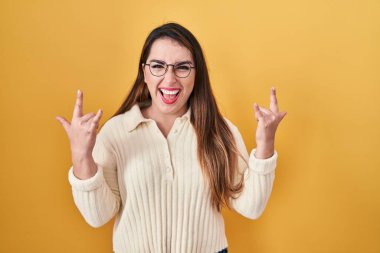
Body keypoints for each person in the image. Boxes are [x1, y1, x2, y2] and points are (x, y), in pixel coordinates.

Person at [56, 22, 286, 253]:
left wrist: (266, 143)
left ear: (197, 75)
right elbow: (97, 216)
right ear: (144, 72)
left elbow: (251, 207)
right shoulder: (116, 132)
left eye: (182, 67)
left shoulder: (218, 130)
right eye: (158, 66)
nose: (170, 79)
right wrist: (81, 156)